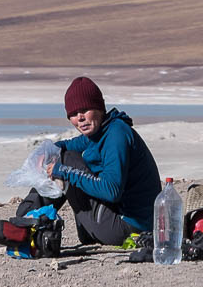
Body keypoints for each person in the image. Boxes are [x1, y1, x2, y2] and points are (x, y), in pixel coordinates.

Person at [14, 76, 163, 246]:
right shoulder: (101, 130)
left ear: (99, 107)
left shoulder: (116, 135)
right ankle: (26, 218)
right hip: (120, 223)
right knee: (63, 155)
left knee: (67, 161)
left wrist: (63, 171)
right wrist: (47, 152)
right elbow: (69, 145)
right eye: (73, 114)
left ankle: (25, 220)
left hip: (129, 229)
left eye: (85, 110)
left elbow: (112, 191)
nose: (80, 118)